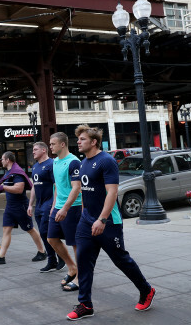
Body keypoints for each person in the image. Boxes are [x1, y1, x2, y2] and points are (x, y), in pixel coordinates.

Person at [67, 125, 155, 321]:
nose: (78, 142)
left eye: (82, 139)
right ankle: (85, 305)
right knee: (83, 261)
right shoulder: (83, 162)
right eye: (78, 139)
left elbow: (112, 192)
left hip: (108, 222)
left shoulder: (106, 161)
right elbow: (85, 192)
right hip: (87, 220)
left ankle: (146, 290)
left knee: (121, 260)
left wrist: (102, 219)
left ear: (93, 142)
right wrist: (84, 216)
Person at [0, 151, 47, 265]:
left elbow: (19, 189)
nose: (1, 161)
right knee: (6, 229)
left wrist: (3, 187)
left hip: (20, 206)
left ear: (8, 160)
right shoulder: (9, 172)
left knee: (30, 229)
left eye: (2, 159)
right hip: (10, 206)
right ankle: (1, 256)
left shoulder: (17, 173)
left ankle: (42, 251)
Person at [47, 132, 82, 292]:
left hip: (72, 207)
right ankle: (72, 267)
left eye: (53, 144)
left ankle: (80, 277)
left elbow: (77, 187)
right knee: (51, 238)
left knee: (75, 244)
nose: (50, 146)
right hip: (59, 207)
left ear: (62, 144)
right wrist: (54, 207)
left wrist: (65, 208)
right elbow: (57, 187)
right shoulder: (54, 162)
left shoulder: (74, 162)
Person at [26, 142, 65, 272]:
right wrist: (30, 204)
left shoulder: (51, 164)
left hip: (49, 203)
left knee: (45, 231)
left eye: (35, 149)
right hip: (39, 204)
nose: (33, 152)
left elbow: (56, 185)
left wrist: (54, 204)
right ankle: (53, 260)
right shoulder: (36, 166)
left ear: (44, 150)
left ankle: (59, 257)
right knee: (44, 234)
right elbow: (34, 186)